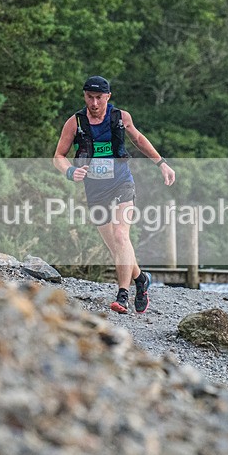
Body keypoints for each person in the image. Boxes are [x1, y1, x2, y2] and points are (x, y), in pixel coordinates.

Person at [53, 76, 175, 314]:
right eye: (90, 97)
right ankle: (141, 279)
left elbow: (138, 140)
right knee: (116, 246)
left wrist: (162, 163)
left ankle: (123, 294)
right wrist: (69, 171)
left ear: (108, 97)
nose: (95, 103)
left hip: (122, 183)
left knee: (121, 236)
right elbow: (58, 155)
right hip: (95, 189)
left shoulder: (121, 117)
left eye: (99, 97)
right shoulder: (74, 122)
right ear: (84, 96)